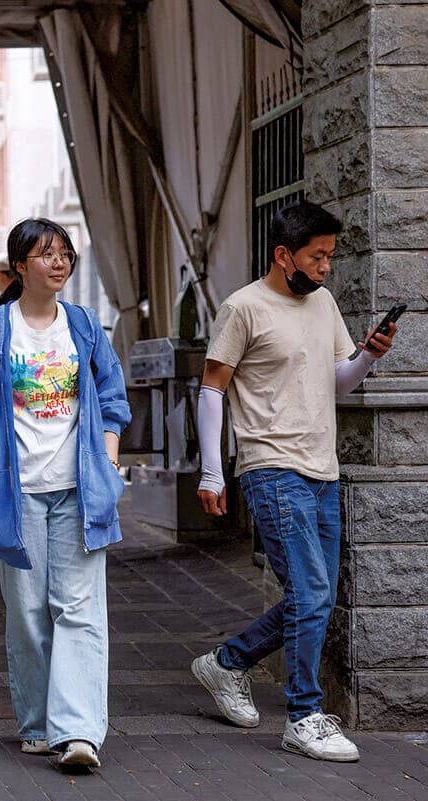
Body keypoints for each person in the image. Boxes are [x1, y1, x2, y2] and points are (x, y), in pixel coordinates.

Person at [191, 201, 396, 763]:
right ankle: (303, 715)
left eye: (330, 256)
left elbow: (338, 383)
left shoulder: (323, 303)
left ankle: (228, 663)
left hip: (321, 469)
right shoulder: (242, 308)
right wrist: (212, 471)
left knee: (316, 596)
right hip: (271, 466)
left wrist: (368, 356)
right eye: (317, 256)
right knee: (310, 594)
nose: (327, 267)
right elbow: (211, 390)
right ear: (284, 255)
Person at [0, 218, 130, 772]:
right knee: (29, 612)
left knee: (79, 610)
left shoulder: (84, 325)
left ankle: (77, 732)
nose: (59, 263)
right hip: (16, 491)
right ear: (19, 266)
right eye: (46, 254)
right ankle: (36, 723)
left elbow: (112, 395)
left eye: (65, 254)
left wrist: (108, 460)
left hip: (79, 489)